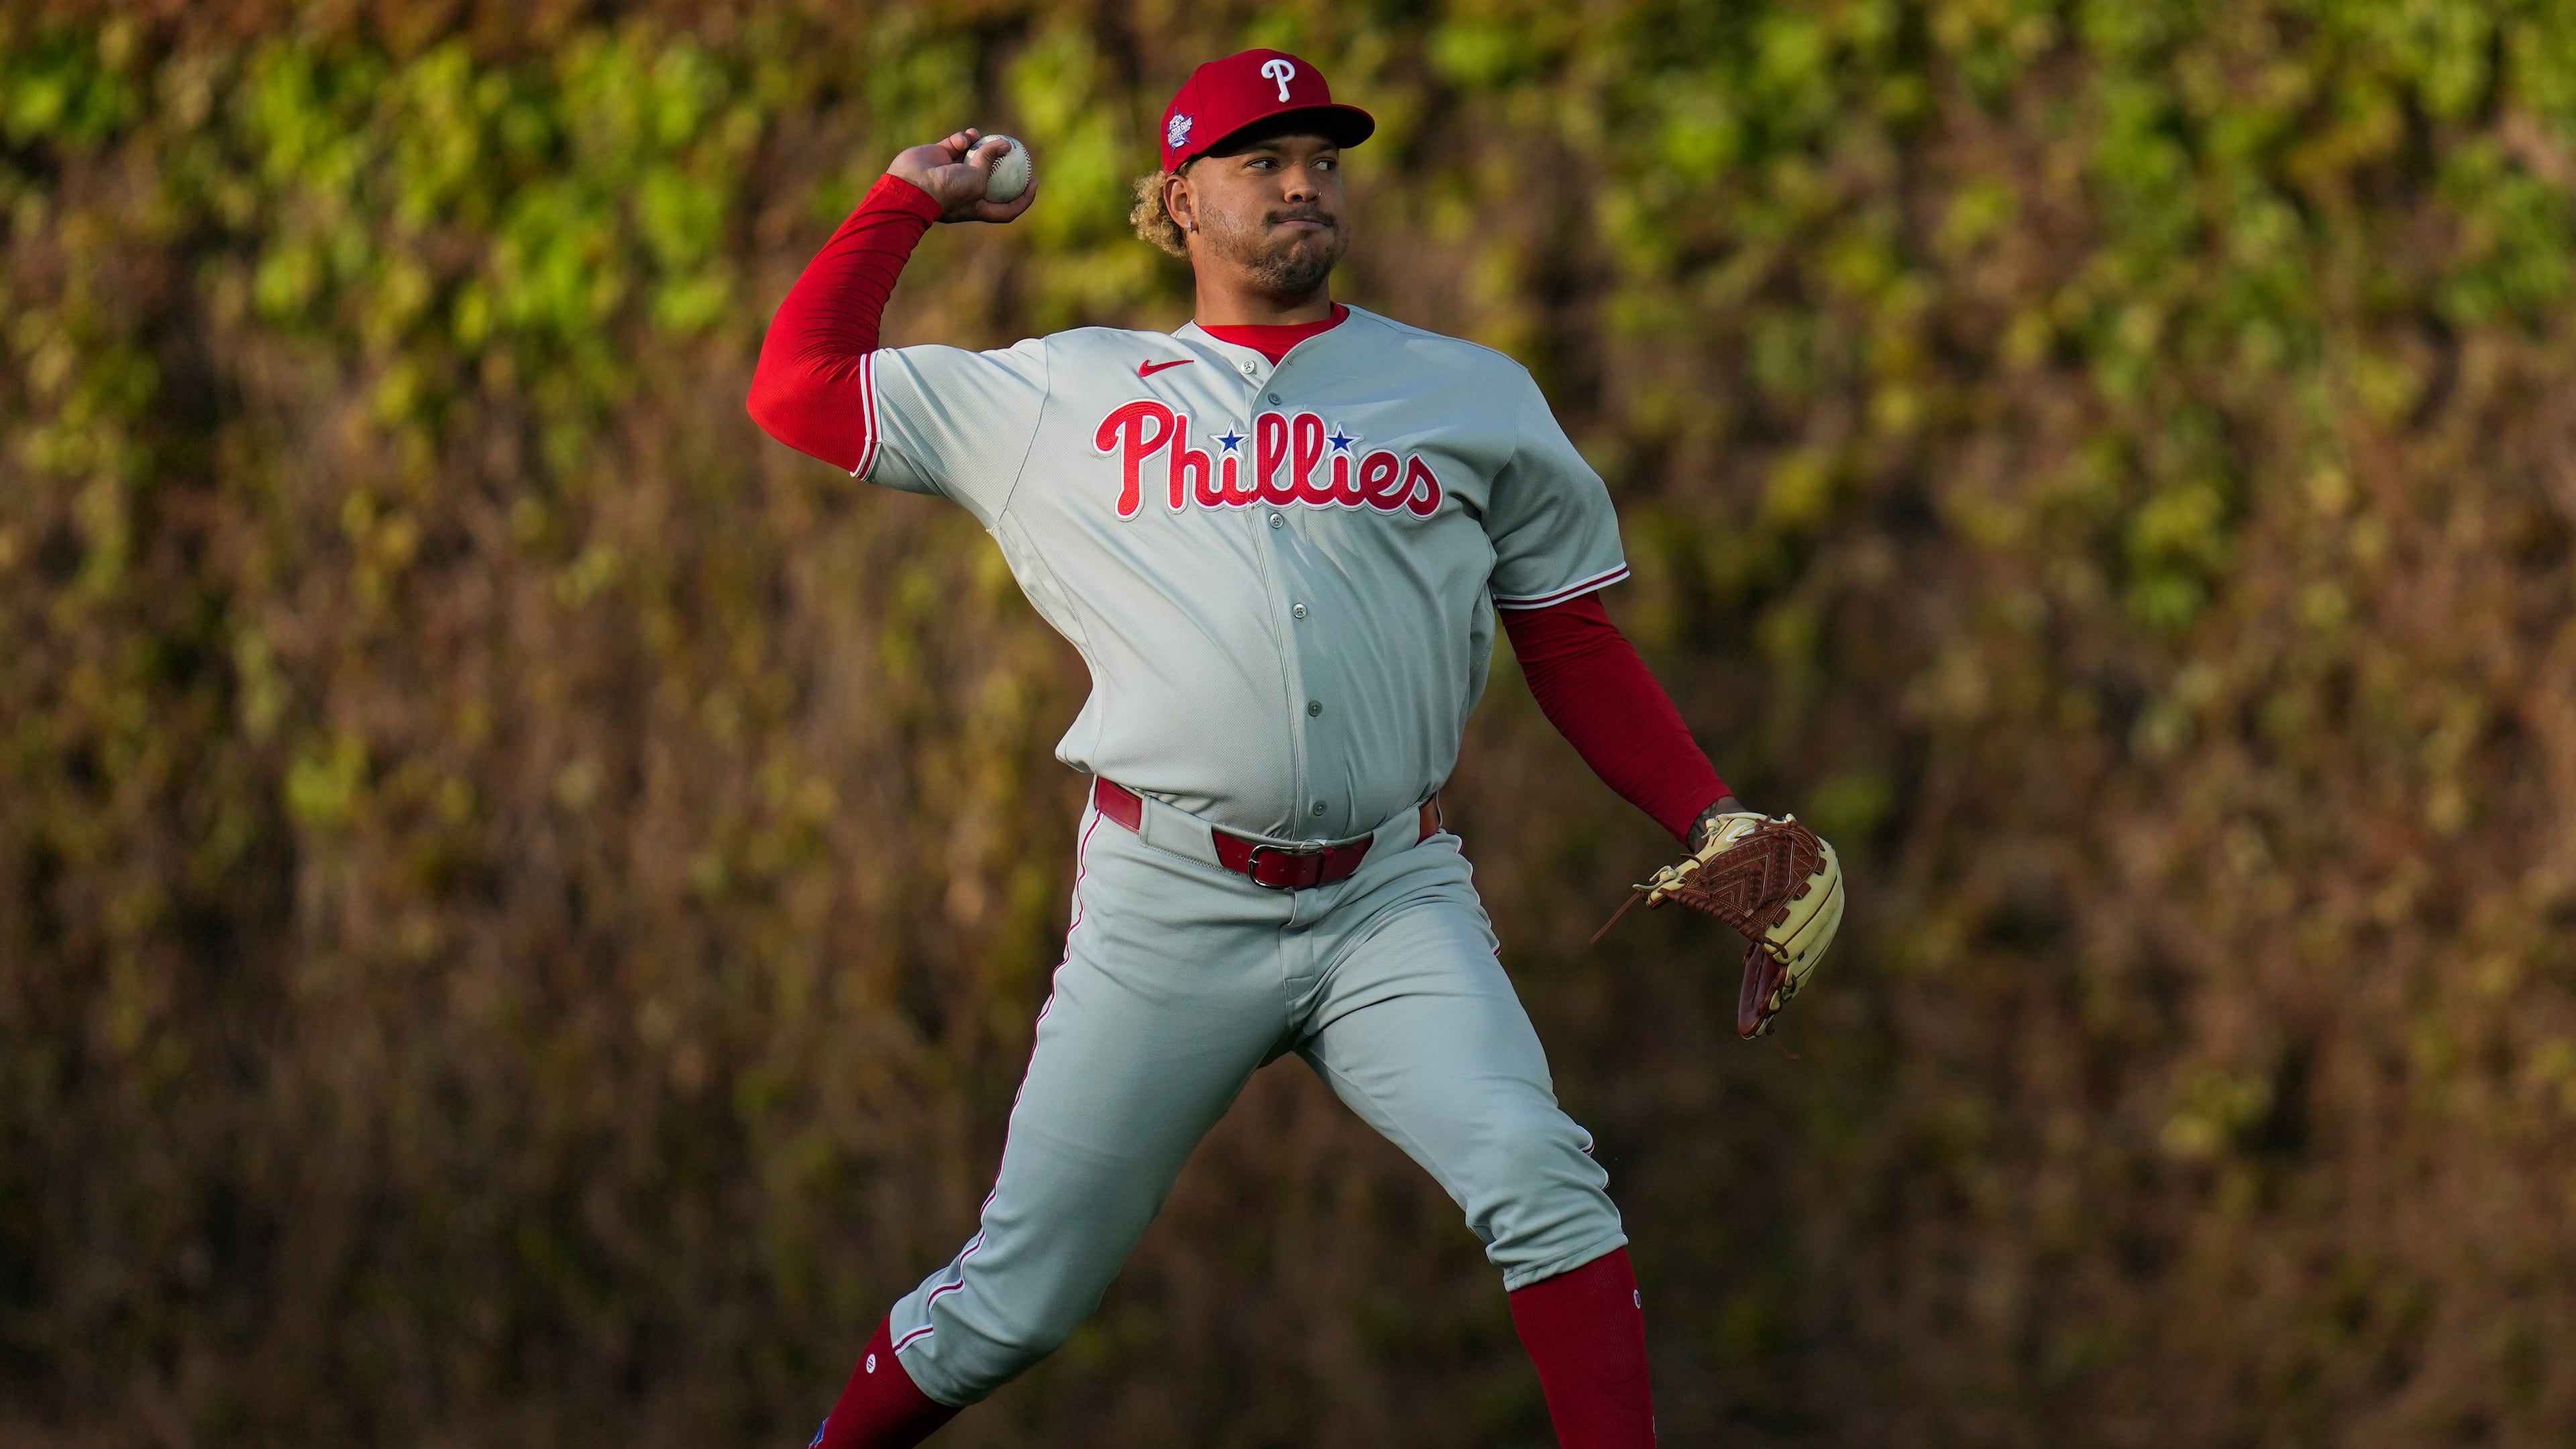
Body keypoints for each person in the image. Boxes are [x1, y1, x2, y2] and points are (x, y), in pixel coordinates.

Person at [749, 48, 1748, 1449]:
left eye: (1322, 161)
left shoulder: (1469, 393)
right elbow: (796, 387)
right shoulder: (1066, 397)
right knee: (1014, 1305)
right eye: (1260, 160)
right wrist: (903, 205)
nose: (1300, 184)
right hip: (1170, 902)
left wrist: (1712, 818)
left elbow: (1570, 641)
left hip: (1390, 901)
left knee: (1545, 1180)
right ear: (1179, 203)